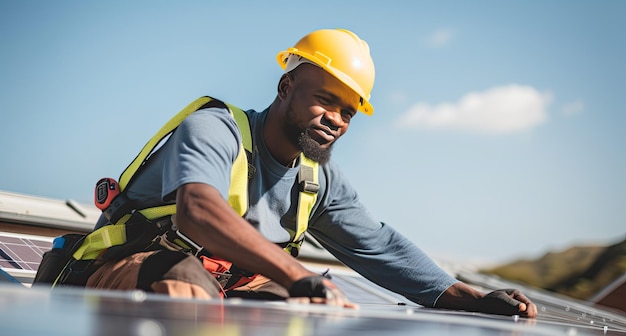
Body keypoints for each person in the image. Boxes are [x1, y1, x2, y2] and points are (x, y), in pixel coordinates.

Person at [85, 28, 537, 318]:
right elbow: (198, 212)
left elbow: (380, 246)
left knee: (302, 313)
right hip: (134, 272)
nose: (336, 119)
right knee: (184, 285)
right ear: (286, 87)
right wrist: (296, 274)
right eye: (325, 100)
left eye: (347, 112)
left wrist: (471, 298)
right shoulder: (216, 128)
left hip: (224, 289)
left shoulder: (318, 181)